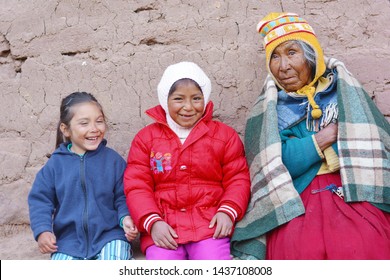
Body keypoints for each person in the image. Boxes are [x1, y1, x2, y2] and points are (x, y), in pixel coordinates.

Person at [231, 13, 390, 260]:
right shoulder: (268, 109)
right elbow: (279, 164)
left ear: (311, 55)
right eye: (275, 56)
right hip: (295, 198)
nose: (283, 66)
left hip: (350, 191)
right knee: (298, 251)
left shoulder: (346, 94)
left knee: (366, 244)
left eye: (291, 52)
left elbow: (371, 149)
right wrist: (327, 136)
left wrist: (302, 146)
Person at [124, 61, 251, 260]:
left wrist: (228, 211)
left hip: (209, 227)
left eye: (196, 98)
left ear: (206, 98)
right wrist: (152, 222)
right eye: (178, 99)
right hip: (163, 229)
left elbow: (238, 179)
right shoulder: (146, 139)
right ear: (165, 100)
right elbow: (137, 186)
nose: (188, 107)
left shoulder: (224, 136)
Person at [28, 91, 138, 260]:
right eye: (84, 123)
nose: (94, 129)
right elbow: (40, 200)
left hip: (109, 237)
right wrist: (43, 231)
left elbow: (123, 196)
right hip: (68, 242)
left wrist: (125, 218)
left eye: (99, 121)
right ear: (66, 129)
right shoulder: (55, 165)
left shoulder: (113, 161)